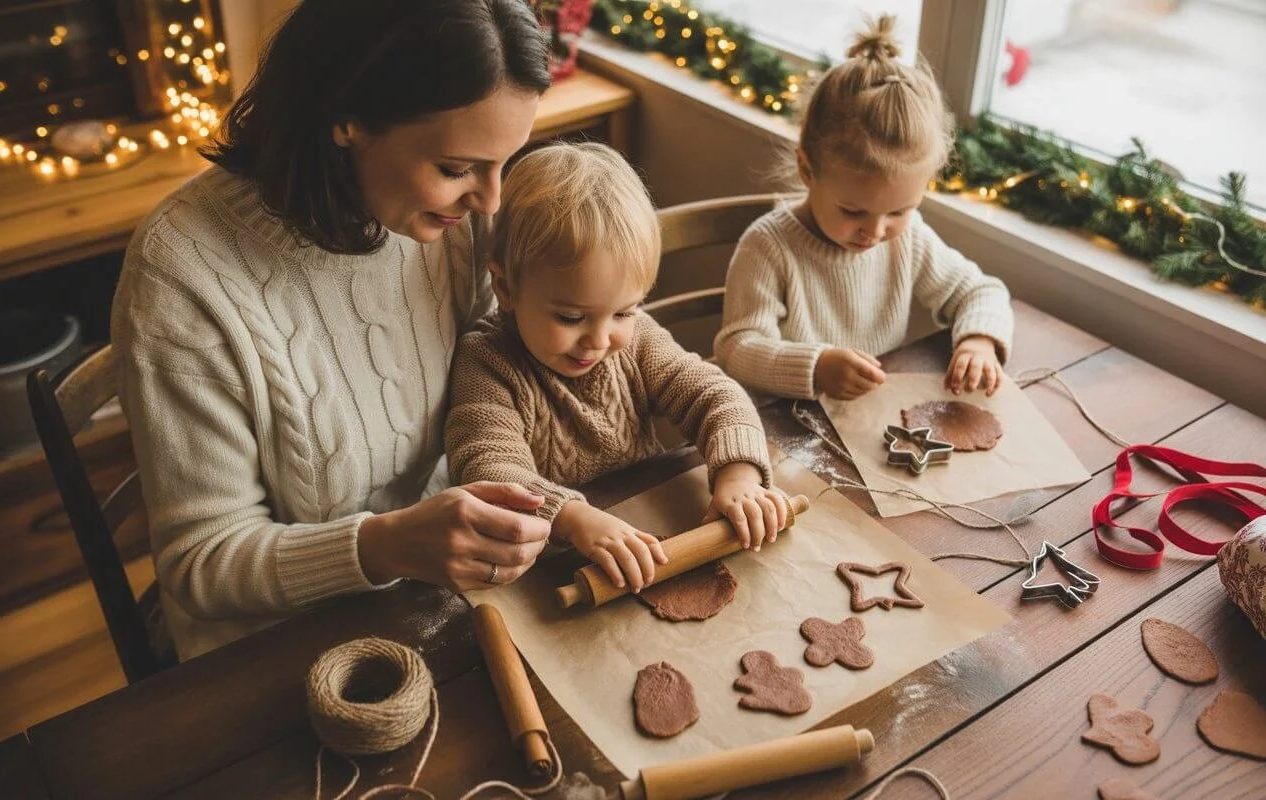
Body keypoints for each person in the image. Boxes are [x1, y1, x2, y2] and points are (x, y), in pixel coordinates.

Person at [111, 0, 554, 660]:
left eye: (505, 162)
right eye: (457, 169)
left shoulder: (461, 222)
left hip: (438, 599)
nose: (490, 201)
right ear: (345, 118)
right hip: (273, 647)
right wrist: (383, 544)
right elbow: (202, 563)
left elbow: (501, 381)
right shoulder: (181, 274)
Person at [445, 142, 788, 593]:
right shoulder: (486, 362)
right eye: (570, 318)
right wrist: (575, 518)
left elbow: (714, 394)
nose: (600, 339)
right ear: (506, 287)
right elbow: (489, 468)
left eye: (623, 312)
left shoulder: (638, 340)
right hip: (542, 570)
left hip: (644, 538)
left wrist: (738, 475)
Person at [714, 15, 1014, 403]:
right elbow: (737, 348)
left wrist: (979, 340)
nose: (874, 232)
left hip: (867, 418)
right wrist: (815, 365)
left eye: (898, 211)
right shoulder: (768, 247)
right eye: (853, 211)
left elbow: (981, 291)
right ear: (807, 169)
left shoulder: (909, 239)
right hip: (782, 428)